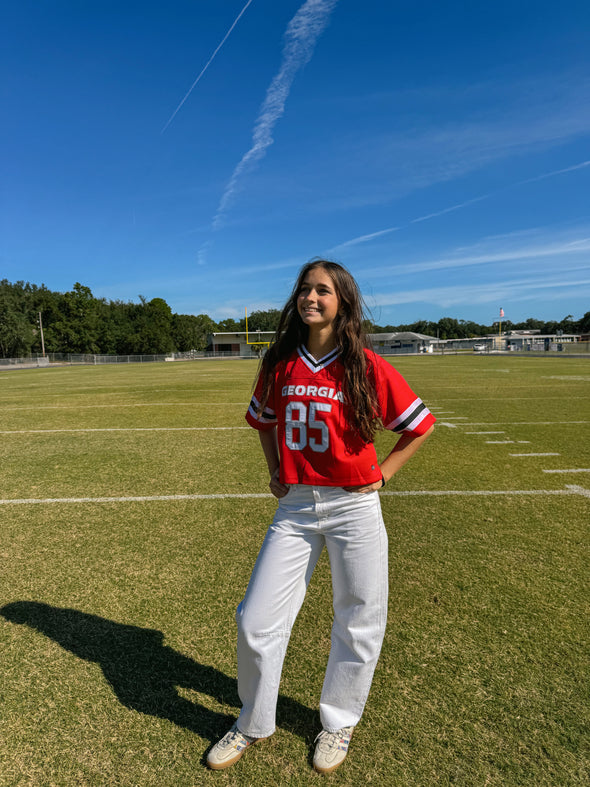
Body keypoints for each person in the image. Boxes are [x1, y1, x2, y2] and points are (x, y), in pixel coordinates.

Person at [207, 259, 435, 773]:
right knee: (256, 618)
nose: (311, 297)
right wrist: (274, 470)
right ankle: (253, 720)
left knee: (359, 616)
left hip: (354, 505)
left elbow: (419, 426)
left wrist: (383, 475)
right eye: (305, 289)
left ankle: (338, 722)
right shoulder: (279, 363)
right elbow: (262, 421)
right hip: (295, 506)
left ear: (343, 301)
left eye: (324, 290)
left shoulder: (366, 364)